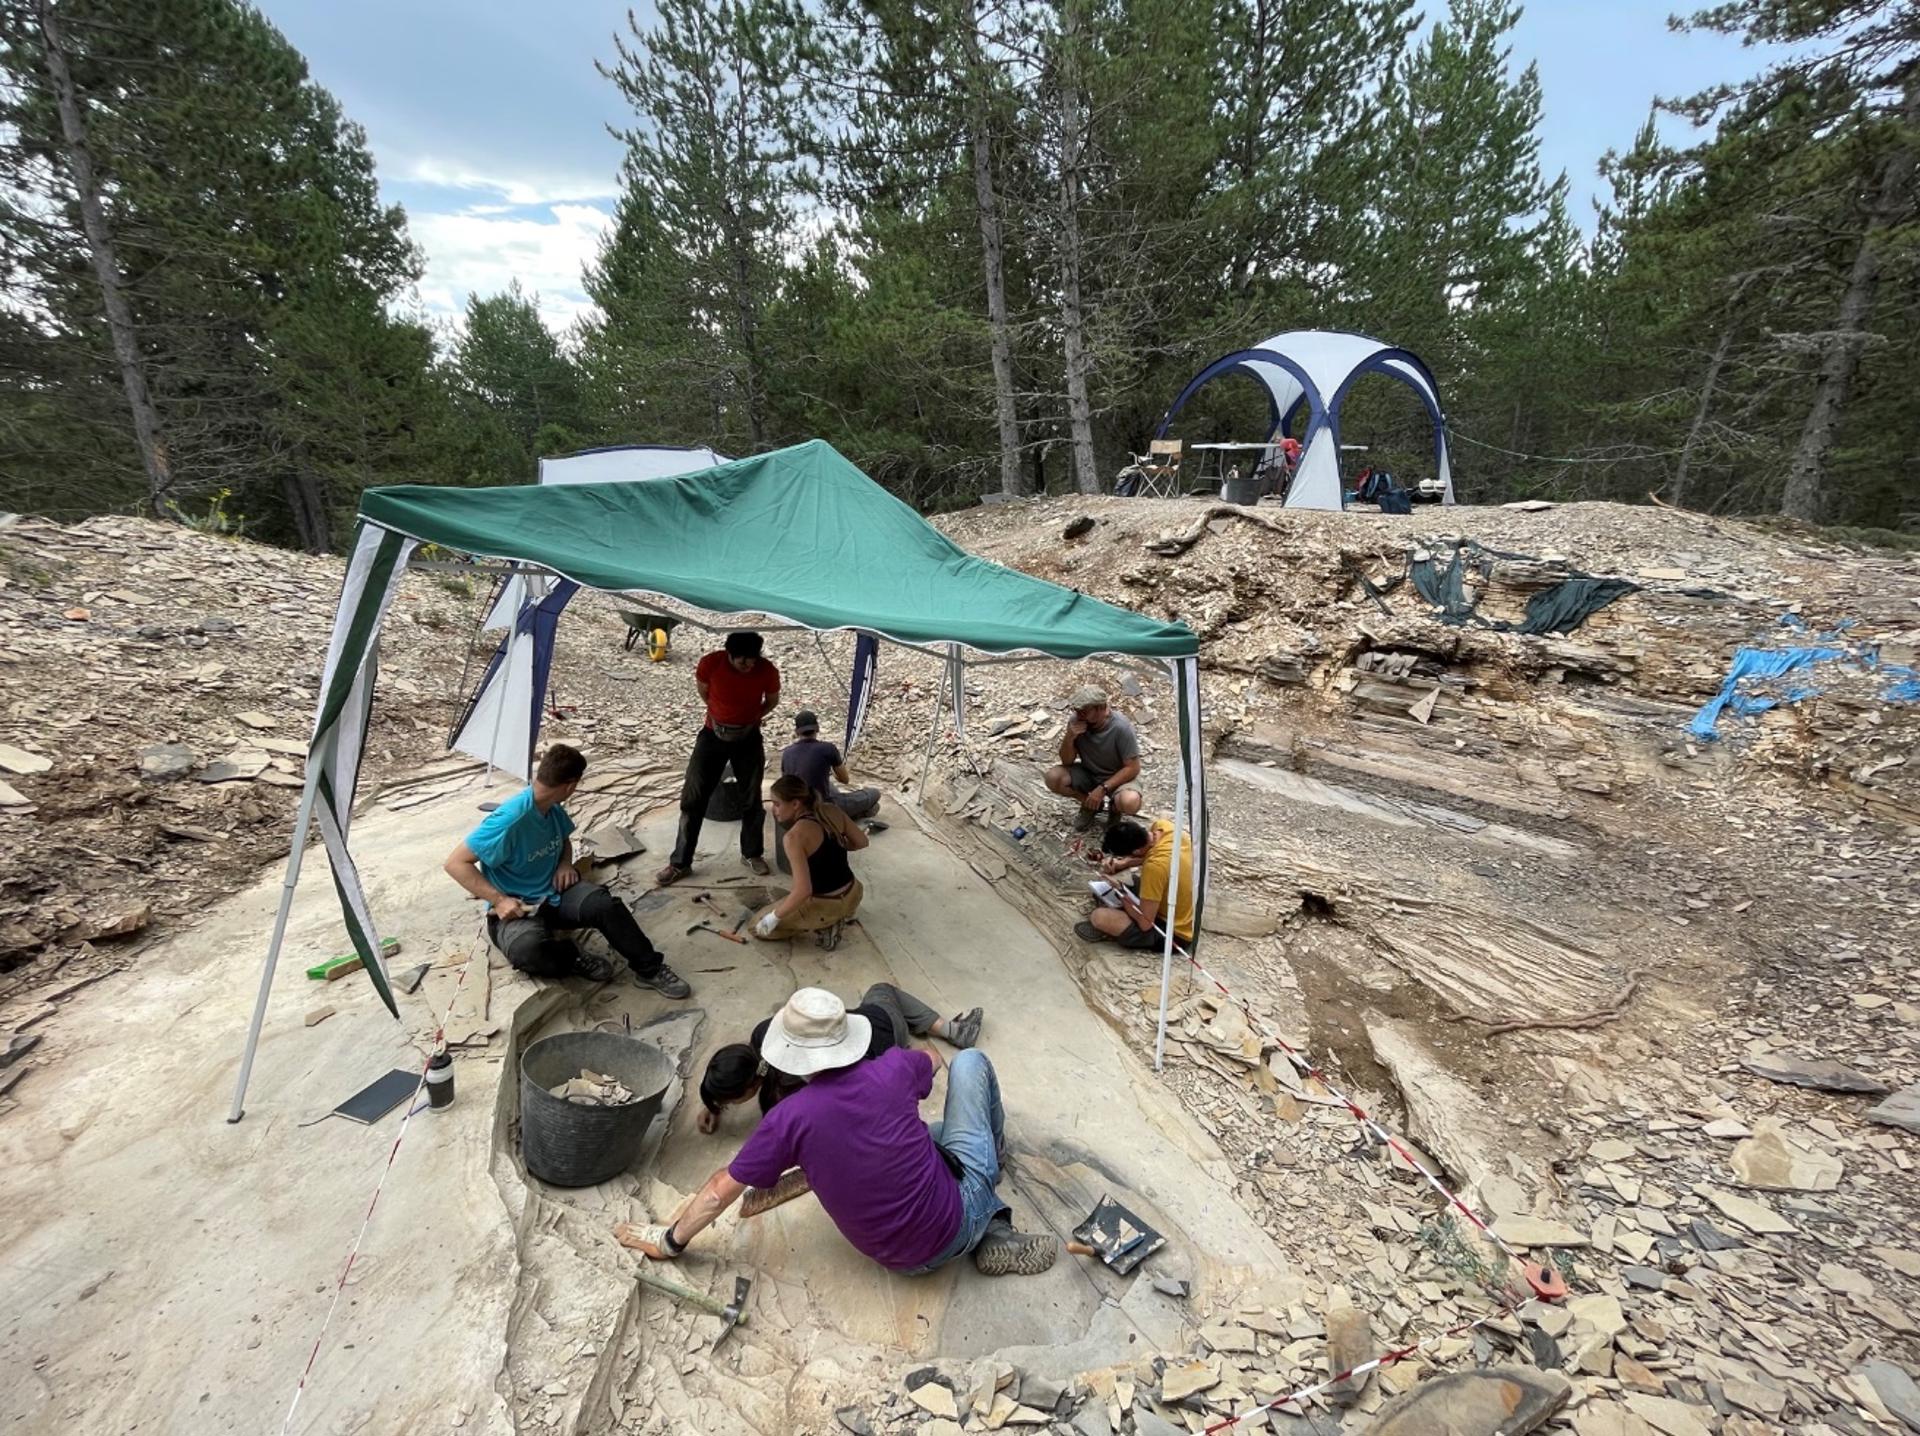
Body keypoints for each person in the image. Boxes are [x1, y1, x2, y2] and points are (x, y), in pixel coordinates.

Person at [623, 989, 1055, 1278]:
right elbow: (934, 1060)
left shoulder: (786, 1119)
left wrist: (669, 1240)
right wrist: (902, 1075)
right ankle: (991, 1198)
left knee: (932, 1134)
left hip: (896, 1261)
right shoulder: (893, 1069)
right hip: (951, 1227)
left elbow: (721, 1190)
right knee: (971, 1063)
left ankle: (984, 1213)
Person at [444, 743, 691, 996]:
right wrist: (499, 900)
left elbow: (563, 839)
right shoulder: (510, 820)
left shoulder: (551, 807)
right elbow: (455, 863)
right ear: (571, 786)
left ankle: (649, 969)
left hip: (555, 893)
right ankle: (572, 957)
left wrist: (563, 863)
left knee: (605, 905)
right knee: (527, 951)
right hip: (516, 908)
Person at [696, 982, 985, 1132]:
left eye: (731, 1101)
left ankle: (945, 1030)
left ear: (747, 1089)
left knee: (881, 1000)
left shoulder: (791, 1095)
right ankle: (951, 1030)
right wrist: (717, 1100)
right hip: (878, 1030)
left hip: (880, 1040)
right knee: (881, 990)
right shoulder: (764, 1033)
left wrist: (717, 1102)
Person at [657, 631, 781, 885]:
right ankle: (680, 863)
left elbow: (772, 700)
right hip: (712, 735)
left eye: (752, 660)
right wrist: (720, 715)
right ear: (729, 655)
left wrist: (752, 718)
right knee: (692, 798)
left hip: (749, 738)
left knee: (751, 799)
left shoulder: (767, 670)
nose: (747, 665)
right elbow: (704, 692)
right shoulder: (710, 663)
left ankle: (751, 854)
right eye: (741, 660)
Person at [752, 776, 866, 948]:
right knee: (787, 901)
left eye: (777, 804)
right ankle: (842, 914)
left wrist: (773, 918)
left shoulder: (794, 837)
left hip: (826, 905)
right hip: (854, 892)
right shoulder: (831, 810)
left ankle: (826, 925)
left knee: (756, 926)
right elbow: (862, 842)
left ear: (796, 804)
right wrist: (837, 844)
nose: (773, 810)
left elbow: (803, 891)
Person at [774, 709, 881, 874]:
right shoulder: (828, 748)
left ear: (796, 732)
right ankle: (860, 812)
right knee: (874, 794)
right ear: (817, 728)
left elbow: (787, 783)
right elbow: (845, 779)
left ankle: (858, 811)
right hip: (823, 805)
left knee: (827, 785)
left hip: (802, 799)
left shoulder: (787, 752)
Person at [1074, 817, 1196, 951]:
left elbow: (1146, 924)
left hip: (1174, 933)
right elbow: (1149, 854)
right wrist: (1125, 863)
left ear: (1136, 851)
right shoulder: (1164, 827)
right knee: (1123, 882)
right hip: (1184, 904)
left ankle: (1116, 931)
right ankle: (1121, 911)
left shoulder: (1154, 867)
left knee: (1099, 917)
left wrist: (1121, 892)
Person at [1045, 685, 1144, 831]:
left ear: (1100, 708)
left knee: (1130, 801)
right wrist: (1070, 737)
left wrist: (1103, 788)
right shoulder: (1076, 722)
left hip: (1117, 777)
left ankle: (1115, 809)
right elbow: (1067, 761)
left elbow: (1133, 767)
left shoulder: (1120, 727)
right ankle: (1090, 805)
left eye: (1084, 711)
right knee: (1053, 777)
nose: (1079, 715)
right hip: (1089, 773)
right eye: (1076, 710)